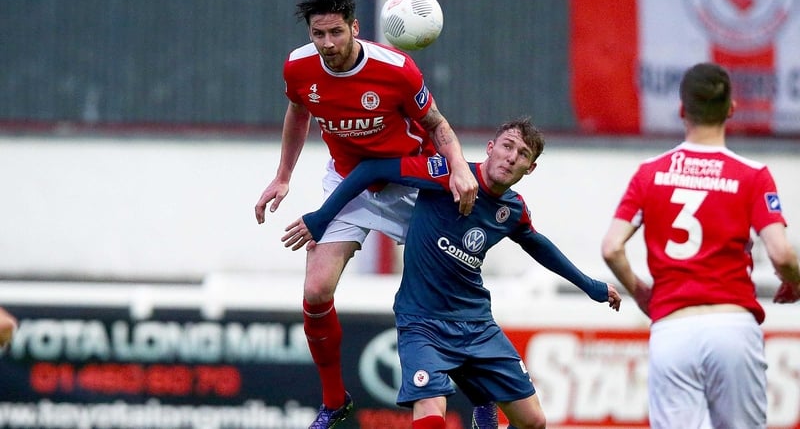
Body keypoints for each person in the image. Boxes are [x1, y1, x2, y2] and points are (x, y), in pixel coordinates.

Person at [284, 117, 622, 429]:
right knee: (432, 417)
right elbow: (372, 169)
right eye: (507, 146)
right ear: (491, 147)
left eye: (522, 154)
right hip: (423, 323)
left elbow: (538, 245)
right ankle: (479, 399)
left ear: (530, 168)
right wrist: (323, 217)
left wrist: (590, 286)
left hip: (477, 324)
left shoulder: (512, 210)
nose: (511, 157)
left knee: (534, 422)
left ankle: (481, 402)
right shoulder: (443, 174)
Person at [253, 0, 479, 428]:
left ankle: (484, 391)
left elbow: (436, 124)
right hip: (347, 185)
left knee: (452, 292)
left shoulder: (397, 70)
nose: (327, 44)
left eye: (336, 32)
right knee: (316, 290)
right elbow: (298, 113)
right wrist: (283, 176)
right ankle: (335, 401)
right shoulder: (299, 67)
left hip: (407, 183)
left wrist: (457, 166)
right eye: (318, 33)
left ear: (355, 27)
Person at [601, 62, 800, 429]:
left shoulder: (650, 172)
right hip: (732, 326)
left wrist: (641, 292)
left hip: (673, 328)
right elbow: (781, 254)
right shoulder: (752, 175)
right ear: (731, 109)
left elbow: (612, 247)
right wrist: (796, 280)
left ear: (682, 110)